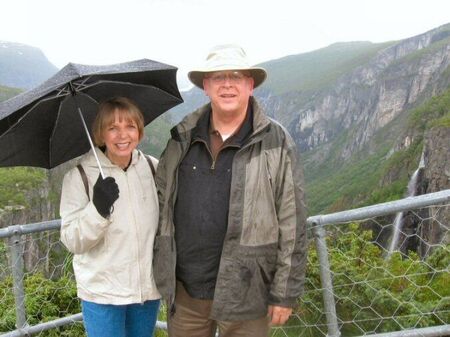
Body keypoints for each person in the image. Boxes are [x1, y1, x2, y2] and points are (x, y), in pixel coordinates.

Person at [153, 44, 307, 337]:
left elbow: (293, 220)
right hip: (186, 290)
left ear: (250, 85)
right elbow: (161, 204)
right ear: (206, 86)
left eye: (235, 76)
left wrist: (285, 292)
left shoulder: (276, 142)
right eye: (218, 77)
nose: (227, 84)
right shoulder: (181, 140)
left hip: (248, 290)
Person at [60, 97, 161, 337]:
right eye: (112, 128)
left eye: (130, 126)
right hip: (103, 294)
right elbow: (71, 240)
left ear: (140, 131)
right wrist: (98, 209)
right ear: (100, 134)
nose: (122, 135)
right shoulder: (80, 177)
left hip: (146, 291)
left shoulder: (152, 168)